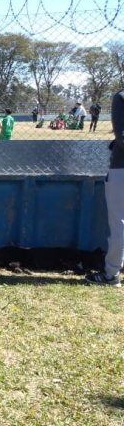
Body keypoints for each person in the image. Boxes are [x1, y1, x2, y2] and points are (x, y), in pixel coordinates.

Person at [86, 89, 124, 287]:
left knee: (119, 223)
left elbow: (122, 137)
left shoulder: (121, 96)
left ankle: (111, 274)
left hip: (122, 169)